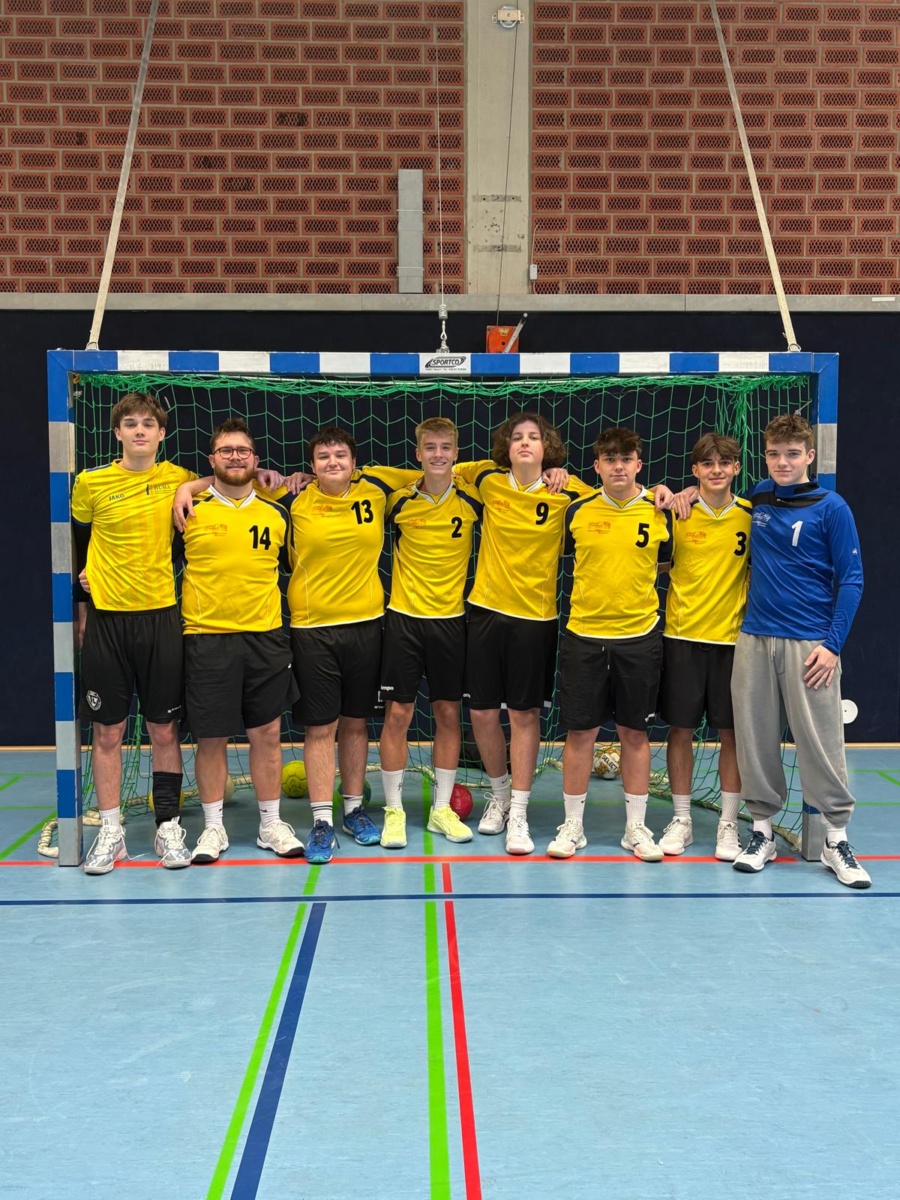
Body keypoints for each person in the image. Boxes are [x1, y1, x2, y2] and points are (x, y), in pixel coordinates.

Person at [730, 413, 870, 887]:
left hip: (810, 644)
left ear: (810, 455)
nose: (783, 462)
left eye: (792, 454)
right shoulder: (758, 497)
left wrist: (832, 646)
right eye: (774, 454)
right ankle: (762, 833)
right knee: (755, 739)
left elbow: (852, 580)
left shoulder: (833, 507)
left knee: (821, 743)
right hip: (755, 638)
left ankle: (836, 840)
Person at [453, 413, 592, 856]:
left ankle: (519, 811)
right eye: (517, 437)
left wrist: (669, 492)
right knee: (481, 714)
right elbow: (441, 468)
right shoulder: (487, 479)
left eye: (534, 437)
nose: (525, 443)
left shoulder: (568, 491)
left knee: (524, 715)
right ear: (507, 448)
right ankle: (499, 795)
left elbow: (616, 496)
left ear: (547, 448)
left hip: (535, 618)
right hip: (485, 611)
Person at [72, 391, 197, 874]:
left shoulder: (177, 477)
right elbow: (78, 544)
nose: (140, 430)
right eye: (131, 424)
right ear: (117, 432)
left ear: (162, 434)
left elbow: (219, 478)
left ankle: (168, 827)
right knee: (108, 731)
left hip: (161, 617)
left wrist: (190, 488)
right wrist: (81, 602)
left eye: (148, 423)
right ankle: (111, 831)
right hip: (107, 621)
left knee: (164, 729)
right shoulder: (90, 483)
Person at [285, 427, 411, 864]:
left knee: (355, 723)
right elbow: (238, 481)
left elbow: (438, 470)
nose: (333, 462)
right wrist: (188, 487)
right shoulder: (292, 499)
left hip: (366, 625)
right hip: (312, 629)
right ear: (312, 465)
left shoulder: (375, 489)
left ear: (355, 463)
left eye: (340, 454)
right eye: (323, 456)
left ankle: (354, 811)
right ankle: (322, 821)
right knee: (321, 727)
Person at [179, 418, 301, 863]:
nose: (235, 457)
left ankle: (270, 825)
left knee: (267, 733)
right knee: (211, 737)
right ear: (211, 459)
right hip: (206, 638)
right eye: (226, 450)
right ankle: (213, 828)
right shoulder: (188, 509)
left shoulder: (276, 513)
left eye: (242, 451)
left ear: (255, 459)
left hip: (265, 637)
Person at [549, 426, 672, 861]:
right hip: (584, 636)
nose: (618, 467)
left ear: (639, 464)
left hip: (639, 638)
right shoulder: (577, 511)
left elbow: (667, 564)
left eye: (626, 459)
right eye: (609, 459)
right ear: (597, 466)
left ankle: (635, 828)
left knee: (634, 733)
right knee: (580, 732)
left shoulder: (662, 510)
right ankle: (573, 826)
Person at [378, 418, 482, 848]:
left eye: (445, 447)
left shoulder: (473, 498)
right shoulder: (398, 501)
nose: (438, 454)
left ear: (456, 453)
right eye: (430, 447)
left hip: (451, 622)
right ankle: (394, 811)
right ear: (417, 453)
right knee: (398, 715)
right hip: (404, 620)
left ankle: (441, 810)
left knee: (448, 715)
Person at [656, 433, 751, 862]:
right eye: (707, 463)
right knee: (680, 731)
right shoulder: (678, 512)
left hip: (733, 642)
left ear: (736, 468)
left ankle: (728, 824)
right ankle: (682, 819)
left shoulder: (751, 515)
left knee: (731, 735)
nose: (716, 470)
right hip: (682, 638)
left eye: (724, 463)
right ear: (694, 470)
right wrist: (667, 492)